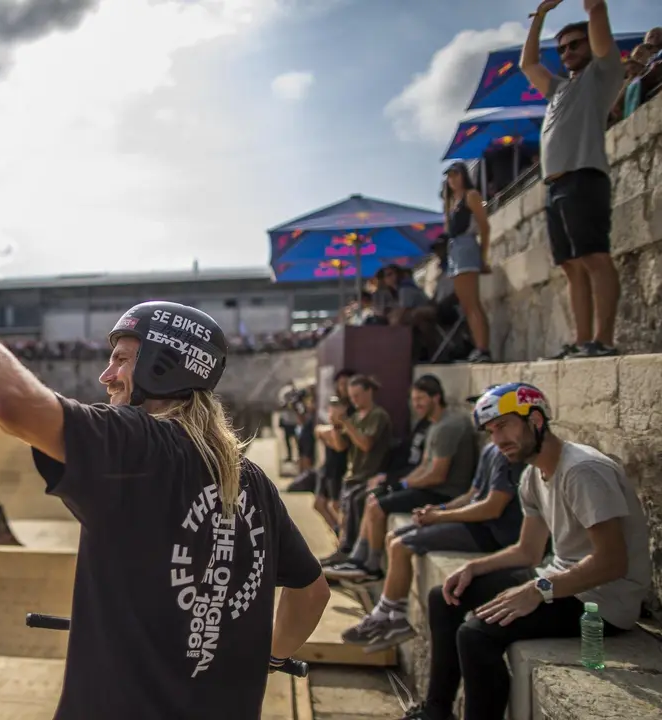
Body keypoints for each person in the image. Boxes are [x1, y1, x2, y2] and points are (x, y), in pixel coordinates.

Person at [0, 223, 332, 720]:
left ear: (161, 366)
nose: (106, 375)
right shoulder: (252, 482)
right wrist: (264, 656)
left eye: (120, 359)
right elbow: (312, 592)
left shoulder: (136, 446)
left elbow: (10, 402)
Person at [403, 382, 651, 720]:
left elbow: (612, 562)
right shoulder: (533, 476)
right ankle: (437, 711)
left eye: (503, 425)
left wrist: (539, 590)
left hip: (604, 602)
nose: (497, 440)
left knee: (475, 635)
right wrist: (476, 568)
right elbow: (527, 551)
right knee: (444, 596)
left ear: (535, 419)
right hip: (560, 579)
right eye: (491, 431)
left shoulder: (582, 471)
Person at [340, 436, 525, 653]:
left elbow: (492, 508)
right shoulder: (490, 449)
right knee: (393, 537)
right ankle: (393, 614)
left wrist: (441, 517)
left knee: (401, 545)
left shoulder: (508, 455)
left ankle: (386, 617)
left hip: (491, 533)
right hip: (475, 524)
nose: (491, 428)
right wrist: (440, 510)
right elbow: (472, 495)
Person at [521, 0, 625, 359]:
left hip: (584, 176)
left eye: (575, 44)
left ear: (589, 46)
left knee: (595, 257)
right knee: (571, 265)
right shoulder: (559, 88)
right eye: (562, 48)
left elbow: (596, 11)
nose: (567, 52)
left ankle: (604, 340)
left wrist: (592, 10)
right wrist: (541, 16)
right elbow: (528, 64)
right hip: (555, 186)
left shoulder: (604, 72)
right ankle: (583, 341)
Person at [325, 374, 476, 582]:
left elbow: (437, 476)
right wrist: (398, 484)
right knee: (372, 498)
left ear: (436, 397)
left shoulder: (448, 427)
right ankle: (358, 559)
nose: (417, 405)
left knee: (376, 505)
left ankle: (371, 567)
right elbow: (424, 466)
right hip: (428, 487)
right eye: (414, 400)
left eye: (421, 399)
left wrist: (402, 484)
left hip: (443, 493)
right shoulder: (433, 424)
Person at [323, 375, 393, 569]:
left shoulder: (378, 416)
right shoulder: (355, 417)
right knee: (344, 516)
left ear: (369, 392)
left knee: (354, 509)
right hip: (352, 475)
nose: (354, 400)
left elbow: (366, 444)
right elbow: (340, 447)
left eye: (357, 395)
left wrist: (345, 420)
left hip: (370, 475)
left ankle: (352, 556)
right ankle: (343, 551)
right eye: (352, 396)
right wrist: (336, 426)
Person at [441, 161, 492, 363]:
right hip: (455, 249)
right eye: (449, 176)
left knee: (472, 303)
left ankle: (482, 347)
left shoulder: (471, 195)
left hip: (467, 246)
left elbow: (484, 227)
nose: (452, 180)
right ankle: (478, 346)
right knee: (466, 304)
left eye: (456, 175)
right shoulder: (452, 202)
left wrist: (483, 256)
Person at [313, 368, 356, 540]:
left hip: (342, 462)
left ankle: (343, 543)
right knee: (319, 504)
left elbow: (340, 444)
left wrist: (330, 432)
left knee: (336, 505)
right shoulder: (334, 403)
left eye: (347, 383)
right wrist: (329, 432)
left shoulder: (352, 411)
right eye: (340, 384)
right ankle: (339, 536)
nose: (343, 387)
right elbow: (320, 430)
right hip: (329, 462)